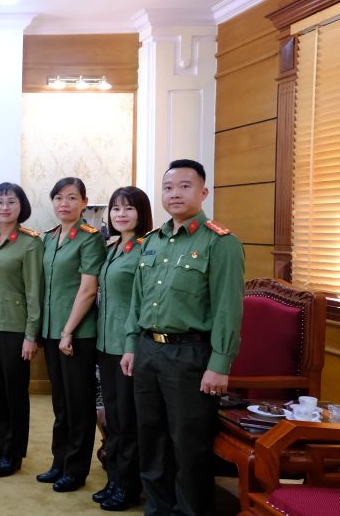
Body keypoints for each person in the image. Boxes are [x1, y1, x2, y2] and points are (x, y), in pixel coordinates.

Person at [121, 159, 244, 516]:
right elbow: (137, 299)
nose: (175, 193)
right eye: (168, 187)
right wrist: (131, 344)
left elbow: (228, 309)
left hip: (190, 356)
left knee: (189, 446)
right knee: (152, 439)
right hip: (147, 351)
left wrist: (220, 364)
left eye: (185, 186)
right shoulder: (152, 242)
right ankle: (157, 510)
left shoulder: (220, 243)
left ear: (203, 192)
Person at [37, 177, 104, 492]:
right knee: (61, 403)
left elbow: (88, 290)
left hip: (76, 335)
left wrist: (67, 332)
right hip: (51, 332)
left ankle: (76, 470)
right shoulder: (48, 238)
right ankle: (59, 462)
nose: (64, 203)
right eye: (59, 197)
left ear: (84, 202)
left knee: (79, 404)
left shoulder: (90, 238)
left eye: (72, 198)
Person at [0, 182, 42, 478]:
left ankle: (13, 454)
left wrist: (31, 335)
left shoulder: (30, 242)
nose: (4, 207)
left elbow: (34, 292)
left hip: (15, 328)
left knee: (15, 393)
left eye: (11, 202)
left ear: (20, 207)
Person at [94, 186, 153, 511]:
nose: (120, 214)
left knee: (128, 421)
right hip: (106, 344)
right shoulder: (113, 247)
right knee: (113, 419)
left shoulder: (145, 250)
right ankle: (114, 479)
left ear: (141, 214)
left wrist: (130, 345)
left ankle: (128, 487)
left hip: (128, 348)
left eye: (128, 209)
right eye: (116, 208)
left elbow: (143, 305)